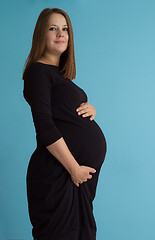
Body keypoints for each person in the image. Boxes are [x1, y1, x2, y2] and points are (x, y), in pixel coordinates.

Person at [22, 7, 107, 240]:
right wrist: (73, 168)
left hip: (75, 179)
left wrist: (90, 108)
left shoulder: (60, 75)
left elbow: (66, 113)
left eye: (65, 29)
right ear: (41, 34)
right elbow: (45, 127)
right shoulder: (37, 72)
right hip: (58, 175)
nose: (61, 34)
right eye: (53, 28)